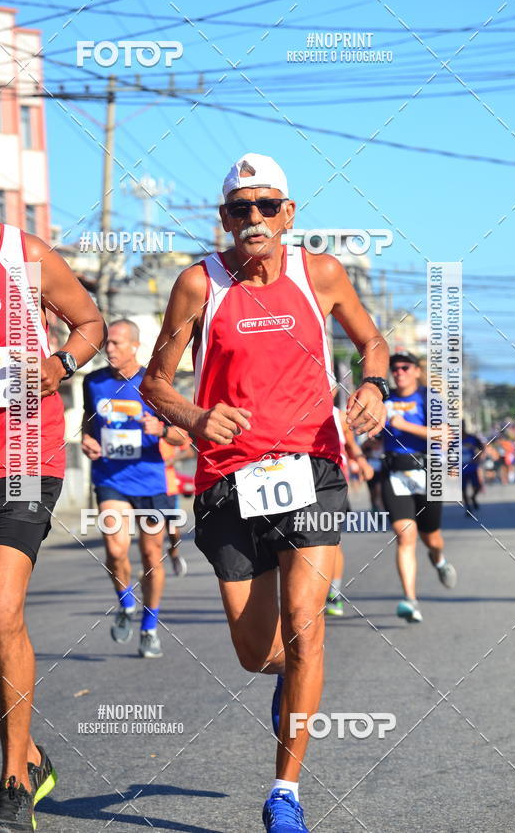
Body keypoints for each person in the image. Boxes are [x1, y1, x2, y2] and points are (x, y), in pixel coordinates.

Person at [141, 153, 389, 833]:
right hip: (228, 483)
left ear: (289, 213)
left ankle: (286, 792)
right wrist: (193, 417)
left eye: (267, 206)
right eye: (240, 209)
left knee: (307, 629)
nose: (255, 218)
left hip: (312, 467)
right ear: (223, 219)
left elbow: (371, 344)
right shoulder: (199, 284)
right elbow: (155, 381)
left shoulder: (322, 274)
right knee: (259, 653)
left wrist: (372, 388)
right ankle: (289, 675)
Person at [0, 136, 105, 832]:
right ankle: (30, 753)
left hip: (23, 455)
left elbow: (90, 322)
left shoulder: (23, 258)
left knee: (0, 614)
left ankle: (10, 783)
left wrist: (62, 362)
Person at [81, 319, 185, 659]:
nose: (108, 349)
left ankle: (150, 626)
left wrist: (160, 429)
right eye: (107, 343)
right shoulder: (94, 383)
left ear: (135, 347)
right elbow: (88, 424)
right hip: (110, 478)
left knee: (152, 557)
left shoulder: (154, 385)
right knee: (115, 549)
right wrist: (86, 440)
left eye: (116, 344)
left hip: (151, 481)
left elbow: (182, 436)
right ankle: (126, 603)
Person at [381, 351, 457, 623]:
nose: (398, 372)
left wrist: (405, 427)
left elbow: (444, 434)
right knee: (404, 535)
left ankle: (438, 560)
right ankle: (410, 600)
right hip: (395, 473)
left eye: (404, 367)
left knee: (431, 537)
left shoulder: (429, 397)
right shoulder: (384, 398)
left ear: (415, 370)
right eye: (394, 368)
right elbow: (374, 432)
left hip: (428, 472)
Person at [326, 394, 375, 617]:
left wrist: (362, 460)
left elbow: (351, 445)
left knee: (331, 542)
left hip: (331, 486)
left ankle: (334, 594)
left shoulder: (339, 416)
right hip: (296, 487)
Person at [160, 434, 195, 575]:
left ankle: (173, 551)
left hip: (169, 487)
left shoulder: (168, 428)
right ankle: (152, 568)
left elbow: (189, 451)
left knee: (173, 529)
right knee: (154, 531)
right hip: (145, 487)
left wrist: (171, 460)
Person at [461, 421, 484, 514]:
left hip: (472, 467)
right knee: (463, 489)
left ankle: (473, 497)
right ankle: (468, 507)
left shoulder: (472, 438)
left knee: (477, 486)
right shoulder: (452, 439)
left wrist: (478, 457)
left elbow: (482, 447)